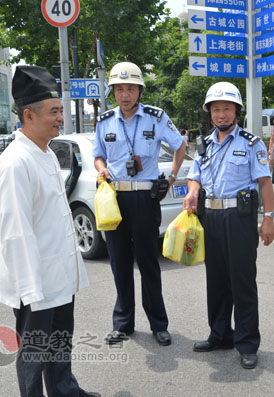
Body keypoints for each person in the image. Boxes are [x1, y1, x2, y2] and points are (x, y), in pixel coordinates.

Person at [0, 65, 97, 397]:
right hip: (34, 282)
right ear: (29, 115)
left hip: (58, 275)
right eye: (54, 112)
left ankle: (65, 391)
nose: (60, 118)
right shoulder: (15, 163)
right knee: (34, 351)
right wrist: (31, 290)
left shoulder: (47, 153)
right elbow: (16, 233)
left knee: (60, 343)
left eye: (61, 111)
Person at [183, 81, 274, 370]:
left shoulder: (251, 143)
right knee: (217, 280)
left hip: (239, 219)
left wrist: (269, 219)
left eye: (227, 109)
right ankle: (220, 334)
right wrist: (192, 190)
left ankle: (247, 343)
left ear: (237, 111)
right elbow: (194, 175)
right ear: (209, 113)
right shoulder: (204, 144)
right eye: (216, 109)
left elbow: (265, 182)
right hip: (210, 217)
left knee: (242, 282)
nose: (221, 114)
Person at [93, 62, 186, 346]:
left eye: (130, 88)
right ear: (113, 92)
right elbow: (98, 154)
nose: (125, 94)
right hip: (115, 199)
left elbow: (180, 145)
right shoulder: (105, 120)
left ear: (139, 90)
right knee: (119, 263)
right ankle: (123, 324)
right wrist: (100, 169)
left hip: (146, 197)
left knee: (148, 262)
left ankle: (159, 324)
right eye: (119, 89)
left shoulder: (156, 118)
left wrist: (170, 177)